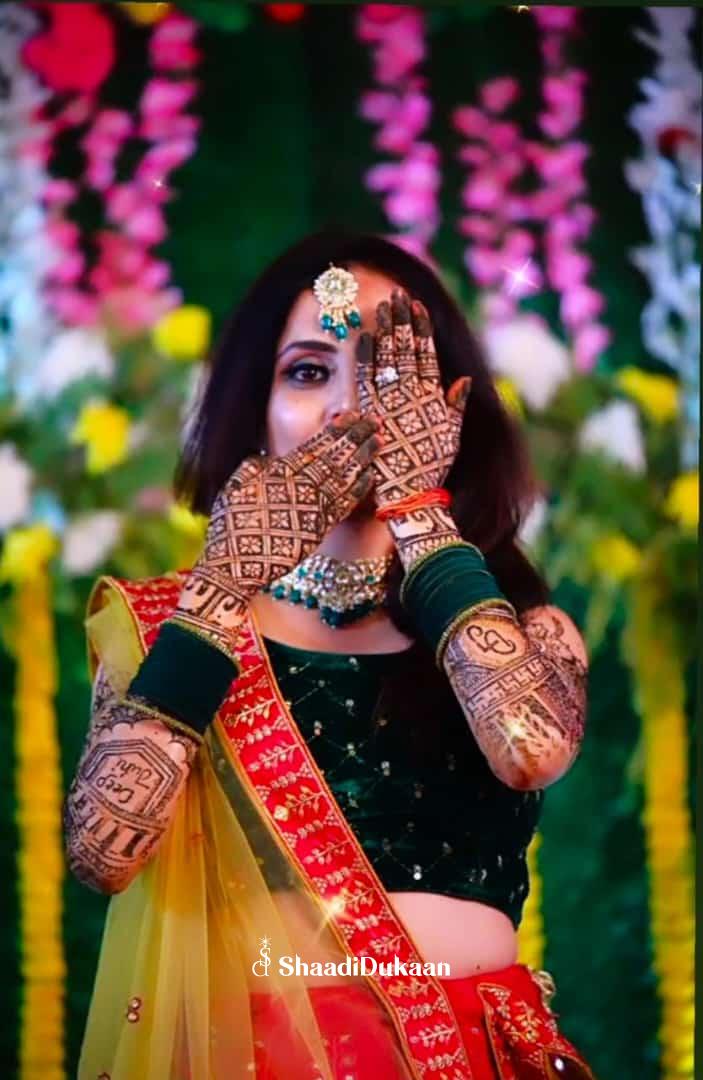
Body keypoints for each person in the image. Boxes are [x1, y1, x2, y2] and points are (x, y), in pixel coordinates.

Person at [65, 229, 596, 1079]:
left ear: (450, 407)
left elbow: (529, 750)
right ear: (255, 411)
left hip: (472, 1054)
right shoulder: (170, 626)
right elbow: (103, 852)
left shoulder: (529, 630)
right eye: (309, 371)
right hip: (256, 1058)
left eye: (388, 375)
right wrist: (222, 589)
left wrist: (419, 509)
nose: (350, 408)